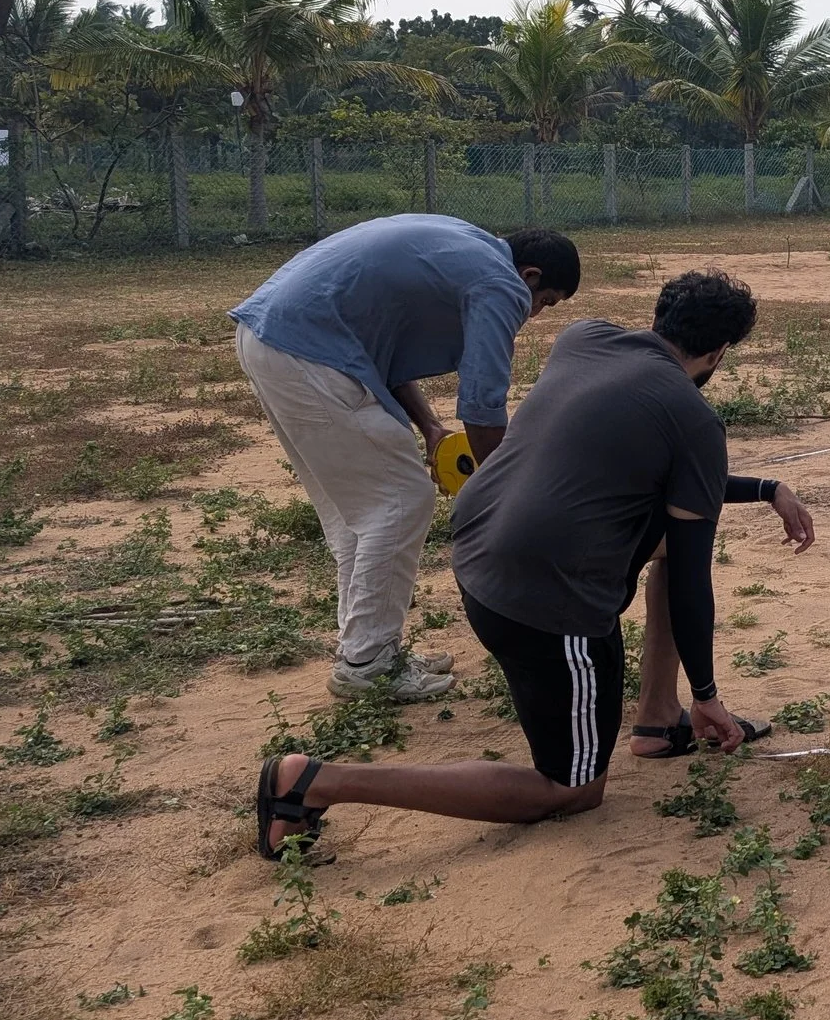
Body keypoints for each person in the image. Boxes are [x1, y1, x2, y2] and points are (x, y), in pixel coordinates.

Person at [251, 271, 812, 856]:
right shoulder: (693, 417)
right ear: (719, 352)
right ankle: (313, 782)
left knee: (664, 537)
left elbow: (639, 464)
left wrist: (765, 487)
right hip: (541, 603)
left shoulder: (584, 338)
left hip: (477, 550)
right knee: (569, 789)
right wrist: (708, 692)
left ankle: (654, 721)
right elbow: (693, 578)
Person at [232, 215, 578, 703]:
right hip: (308, 351)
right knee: (399, 500)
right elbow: (482, 403)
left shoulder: (465, 248)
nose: (535, 313)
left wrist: (432, 429)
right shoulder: (501, 282)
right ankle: (367, 664)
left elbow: (385, 357)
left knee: (362, 515)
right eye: (545, 303)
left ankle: (367, 651)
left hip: (273, 339)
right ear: (531, 276)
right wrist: (505, 493)